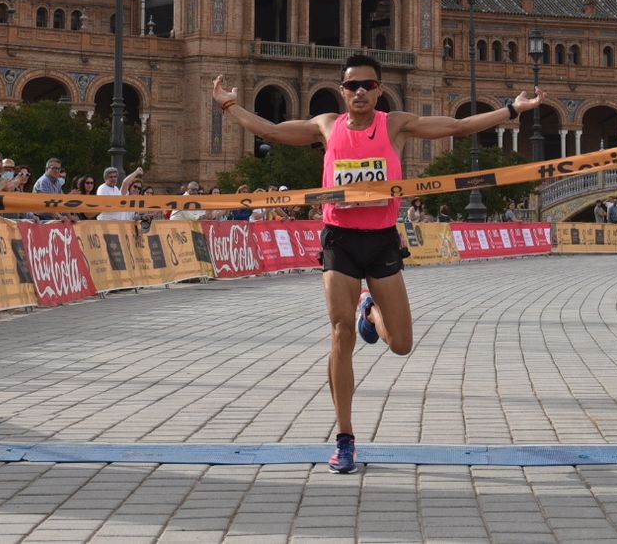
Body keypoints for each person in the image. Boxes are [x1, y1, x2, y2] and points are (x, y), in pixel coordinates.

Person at [212, 55, 544, 474]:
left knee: (401, 343)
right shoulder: (326, 125)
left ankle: (369, 311)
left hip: (382, 239)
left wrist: (512, 109)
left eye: (368, 85)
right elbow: (272, 131)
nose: (360, 92)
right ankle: (345, 438)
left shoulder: (394, 125)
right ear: (342, 91)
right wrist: (229, 104)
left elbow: (457, 127)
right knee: (340, 333)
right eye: (352, 86)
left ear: (379, 90)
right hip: (340, 239)